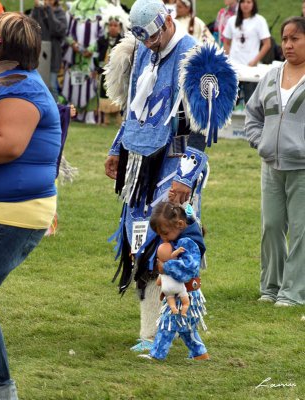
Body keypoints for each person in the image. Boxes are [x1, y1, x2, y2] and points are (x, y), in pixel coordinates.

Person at [104, 0, 210, 352]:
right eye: (142, 39)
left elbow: (203, 124)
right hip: (141, 160)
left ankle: (174, 324)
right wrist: (117, 148)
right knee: (140, 241)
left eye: (152, 37)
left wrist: (187, 172)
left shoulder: (194, 55)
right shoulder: (139, 52)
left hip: (177, 159)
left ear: (166, 23)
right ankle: (149, 331)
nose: (149, 44)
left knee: (167, 242)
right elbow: (135, 108)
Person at [0, 12, 62, 399]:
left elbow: (7, 147)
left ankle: (2, 390)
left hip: (13, 213)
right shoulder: (6, 81)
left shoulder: (23, 92)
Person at [245, 16, 305, 307]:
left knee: (301, 230)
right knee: (271, 226)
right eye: (285, 38)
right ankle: (271, 287)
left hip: (302, 169)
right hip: (270, 166)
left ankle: (293, 293)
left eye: (295, 38)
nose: (288, 44)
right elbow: (252, 115)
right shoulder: (271, 76)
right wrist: (262, 142)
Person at [138, 201, 209, 360]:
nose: (163, 239)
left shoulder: (187, 242)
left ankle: (157, 355)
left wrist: (166, 267)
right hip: (183, 292)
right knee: (186, 327)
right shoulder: (181, 236)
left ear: (180, 224)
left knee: (167, 323)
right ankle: (200, 353)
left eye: (165, 233)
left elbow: (188, 269)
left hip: (185, 292)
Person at [62, 0, 108, 123]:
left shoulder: (101, 6)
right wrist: (73, 44)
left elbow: (103, 32)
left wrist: (92, 49)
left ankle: (89, 115)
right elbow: (66, 31)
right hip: (74, 56)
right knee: (74, 83)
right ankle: (75, 113)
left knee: (90, 83)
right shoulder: (73, 7)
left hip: (92, 57)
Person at [223, 0, 271, 103]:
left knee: (251, 100)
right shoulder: (232, 20)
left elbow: (267, 44)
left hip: (251, 68)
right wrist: (227, 60)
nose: (245, 5)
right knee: (230, 100)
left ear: (253, 4)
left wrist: (255, 61)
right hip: (234, 66)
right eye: (243, 2)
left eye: (249, 2)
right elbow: (226, 42)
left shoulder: (259, 20)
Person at [95, 5, 129, 125]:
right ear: (107, 27)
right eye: (111, 25)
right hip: (104, 71)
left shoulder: (123, 41)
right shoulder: (101, 41)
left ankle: (119, 120)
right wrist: (97, 68)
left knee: (118, 92)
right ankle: (105, 120)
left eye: (115, 25)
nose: (113, 28)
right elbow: (97, 56)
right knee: (104, 92)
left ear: (120, 28)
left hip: (117, 72)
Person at [31, 0, 67, 101]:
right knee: (38, 85)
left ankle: (56, 112)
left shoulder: (60, 13)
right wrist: (37, 9)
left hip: (53, 56)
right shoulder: (39, 10)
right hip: (38, 55)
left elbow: (56, 30)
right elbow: (32, 27)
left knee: (51, 86)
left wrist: (49, 11)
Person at [156, 243, 189, 316]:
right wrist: (178, 251)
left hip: (166, 289)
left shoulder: (162, 271)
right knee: (186, 302)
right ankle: (184, 311)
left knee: (170, 298)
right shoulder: (175, 265)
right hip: (178, 287)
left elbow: (158, 283)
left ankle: (173, 308)